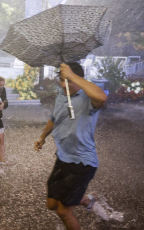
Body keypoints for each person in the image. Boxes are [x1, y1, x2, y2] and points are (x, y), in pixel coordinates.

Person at [34, 62, 108, 230]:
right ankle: (88, 200)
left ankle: (79, 202)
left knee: (63, 211)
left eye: (68, 81)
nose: (64, 85)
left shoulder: (88, 98)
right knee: (51, 204)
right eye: (61, 80)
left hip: (82, 162)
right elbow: (55, 118)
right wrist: (42, 137)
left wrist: (72, 75)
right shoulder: (62, 95)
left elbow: (102, 97)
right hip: (63, 157)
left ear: (78, 79)